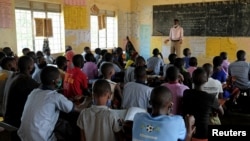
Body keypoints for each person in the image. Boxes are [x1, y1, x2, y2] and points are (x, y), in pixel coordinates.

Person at [18, 66, 88, 141]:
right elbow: (78, 109)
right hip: (41, 138)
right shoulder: (55, 97)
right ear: (55, 81)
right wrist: (87, 101)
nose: (61, 79)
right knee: (70, 128)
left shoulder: (33, 92)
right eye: (60, 78)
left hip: (23, 136)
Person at [182, 68, 224, 140]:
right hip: (204, 134)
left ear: (192, 80)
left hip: (187, 130)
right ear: (207, 80)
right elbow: (222, 112)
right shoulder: (211, 98)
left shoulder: (186, 93)